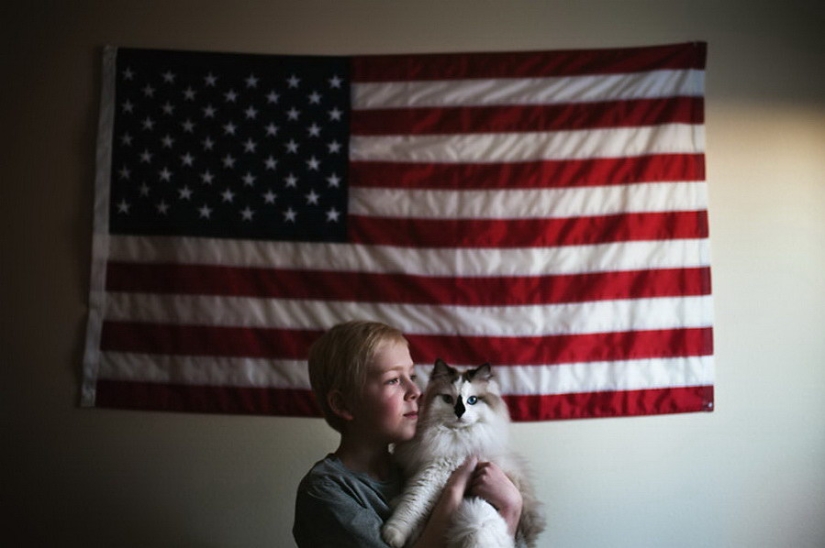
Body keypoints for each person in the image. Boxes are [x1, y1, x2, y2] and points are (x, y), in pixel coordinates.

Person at [293, 320, 523, 547]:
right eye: (393, 380)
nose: (415, 391)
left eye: (412, 377)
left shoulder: (410, 465)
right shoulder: (326, 492)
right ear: (343, 405)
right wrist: (456, 494)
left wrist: (511, 506)